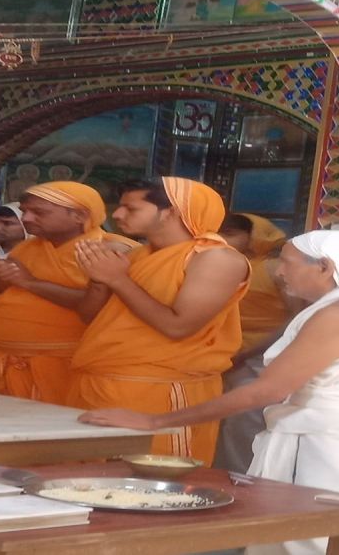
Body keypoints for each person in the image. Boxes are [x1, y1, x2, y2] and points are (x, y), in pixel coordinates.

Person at [80, 230, 339, 555]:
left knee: (308, 538)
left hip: (329, 444)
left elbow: (267, 390)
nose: (279, 273)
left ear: (325, 267)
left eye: (287, 262)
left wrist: (155, 421)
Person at [67, 177, 250, 465]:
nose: (117, 214)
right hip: (99, 382)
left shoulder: (216, 258)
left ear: (171, 212)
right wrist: (100, 280)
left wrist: (117, 279)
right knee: (85, 476)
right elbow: (89, 317)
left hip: (160, 389)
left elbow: (178, 327)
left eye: (131, 208)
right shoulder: (135, 256)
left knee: (146, 478)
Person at [0, 181, 137, 405]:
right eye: (24, 211)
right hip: (5, 360)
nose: (26, 218)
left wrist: (30, 283)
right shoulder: (26, 249)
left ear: (80, 216)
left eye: (39, 212)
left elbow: (101, 309)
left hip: (64, 367)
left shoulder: (113, 250)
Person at [214, 213, 303, 472]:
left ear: (254, 236)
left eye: (230, 234)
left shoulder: (275, 269)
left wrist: (247, 353)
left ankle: (240, 483)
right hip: (225, 356)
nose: (222, 240)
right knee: (220, 425)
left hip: (260, 358)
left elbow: (296, 320)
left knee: (243, 425)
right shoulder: (221, 264)